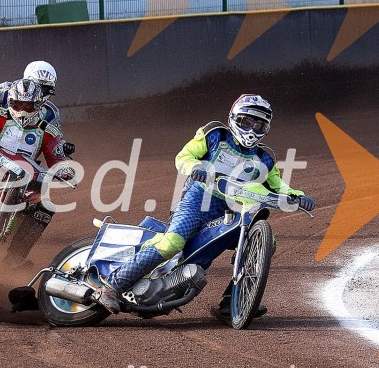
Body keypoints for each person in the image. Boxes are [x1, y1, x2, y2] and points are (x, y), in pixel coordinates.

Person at [93, 94, 316, 315]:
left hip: (232, 209)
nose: (251, 129)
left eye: (258, 125)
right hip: (198, 200)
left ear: (265, 129)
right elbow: (184, 156)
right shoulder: (215, 134)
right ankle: (112, 286)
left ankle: (233, 301)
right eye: (246, 122)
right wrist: (194, 167)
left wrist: (297, 196)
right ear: (233, 119)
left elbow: (279, 186)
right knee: (171, 243)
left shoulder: (265, 158)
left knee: (265, 243)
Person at [0, 78, 75, 267]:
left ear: (39, 104)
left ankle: (14, 256)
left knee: (45, 207)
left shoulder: (48, 131)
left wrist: (65, 171)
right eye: (18, 104)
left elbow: (57, 159)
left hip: (21, 182)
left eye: (29, 105)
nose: (23, 110)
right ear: (10, 102)